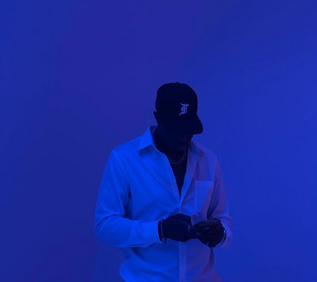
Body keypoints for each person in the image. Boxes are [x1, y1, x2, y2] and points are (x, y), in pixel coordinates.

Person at [94, 82, 233, 282]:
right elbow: (105, 225)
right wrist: (160, 229)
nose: (184, 136)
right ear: (157, 118)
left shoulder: (209, 160)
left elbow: (223, 219)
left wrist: (220, 234)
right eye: (176, 129)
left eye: (188, 128)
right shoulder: (124, 159)